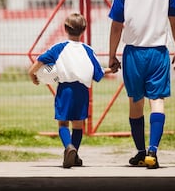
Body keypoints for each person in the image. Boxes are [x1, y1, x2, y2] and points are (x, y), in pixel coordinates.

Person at [108, 0, 175, 169]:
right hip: (158, 52)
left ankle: (140, 152)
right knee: (157, 101)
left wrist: (112, 55)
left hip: (133, 52)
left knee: (135, 103)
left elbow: (116, 27)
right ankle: (153, 151)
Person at [28, 12, 116, 168]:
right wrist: (111, 69)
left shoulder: (59, 48)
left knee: (63, 123)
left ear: (65, 28)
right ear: (84, 30)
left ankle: (69, 147)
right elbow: (98, 73)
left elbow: (40, 61)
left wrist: (31, 74)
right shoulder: (88, 50)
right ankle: (75, 155)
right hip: (82, 91)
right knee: (78, 125)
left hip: (65, 89)